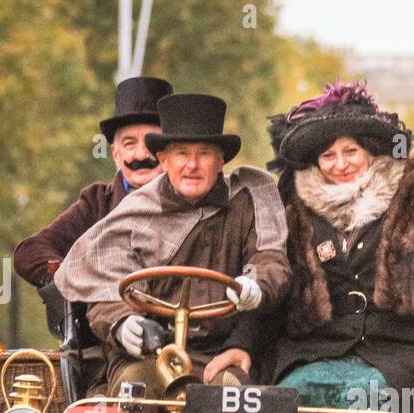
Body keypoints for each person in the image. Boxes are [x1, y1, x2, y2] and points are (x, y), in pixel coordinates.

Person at [262, 81, 414, 411]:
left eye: (350, 152)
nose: (341, 165)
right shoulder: (296, 212)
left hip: (401, 353)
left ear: (369, 152)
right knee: (289, 397)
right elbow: (277, 288)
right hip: (319, 352)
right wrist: (241, 344)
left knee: (369, 397)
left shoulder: (413, 194)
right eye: (328, 155)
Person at [55, 93, 291, 396]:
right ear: (164, 160)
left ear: (220, 161)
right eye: (181, 154)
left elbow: (271, 260)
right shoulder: (135, 214)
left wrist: (256, 285)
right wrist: (123, 323)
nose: (192, 165)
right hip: (148, 354)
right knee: (133, 391)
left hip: (220, 353)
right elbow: (103, 288)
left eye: (204, 153)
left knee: (230, 395)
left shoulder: (248, 202)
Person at [15, 76, 174, 339]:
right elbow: (28, 252)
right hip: (109, 340)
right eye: (129, 144)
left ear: (169, 150)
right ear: (115, 154)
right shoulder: (96, 204)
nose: (140, 155)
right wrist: (79, 277)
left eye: (151, 143)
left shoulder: (195, 203)